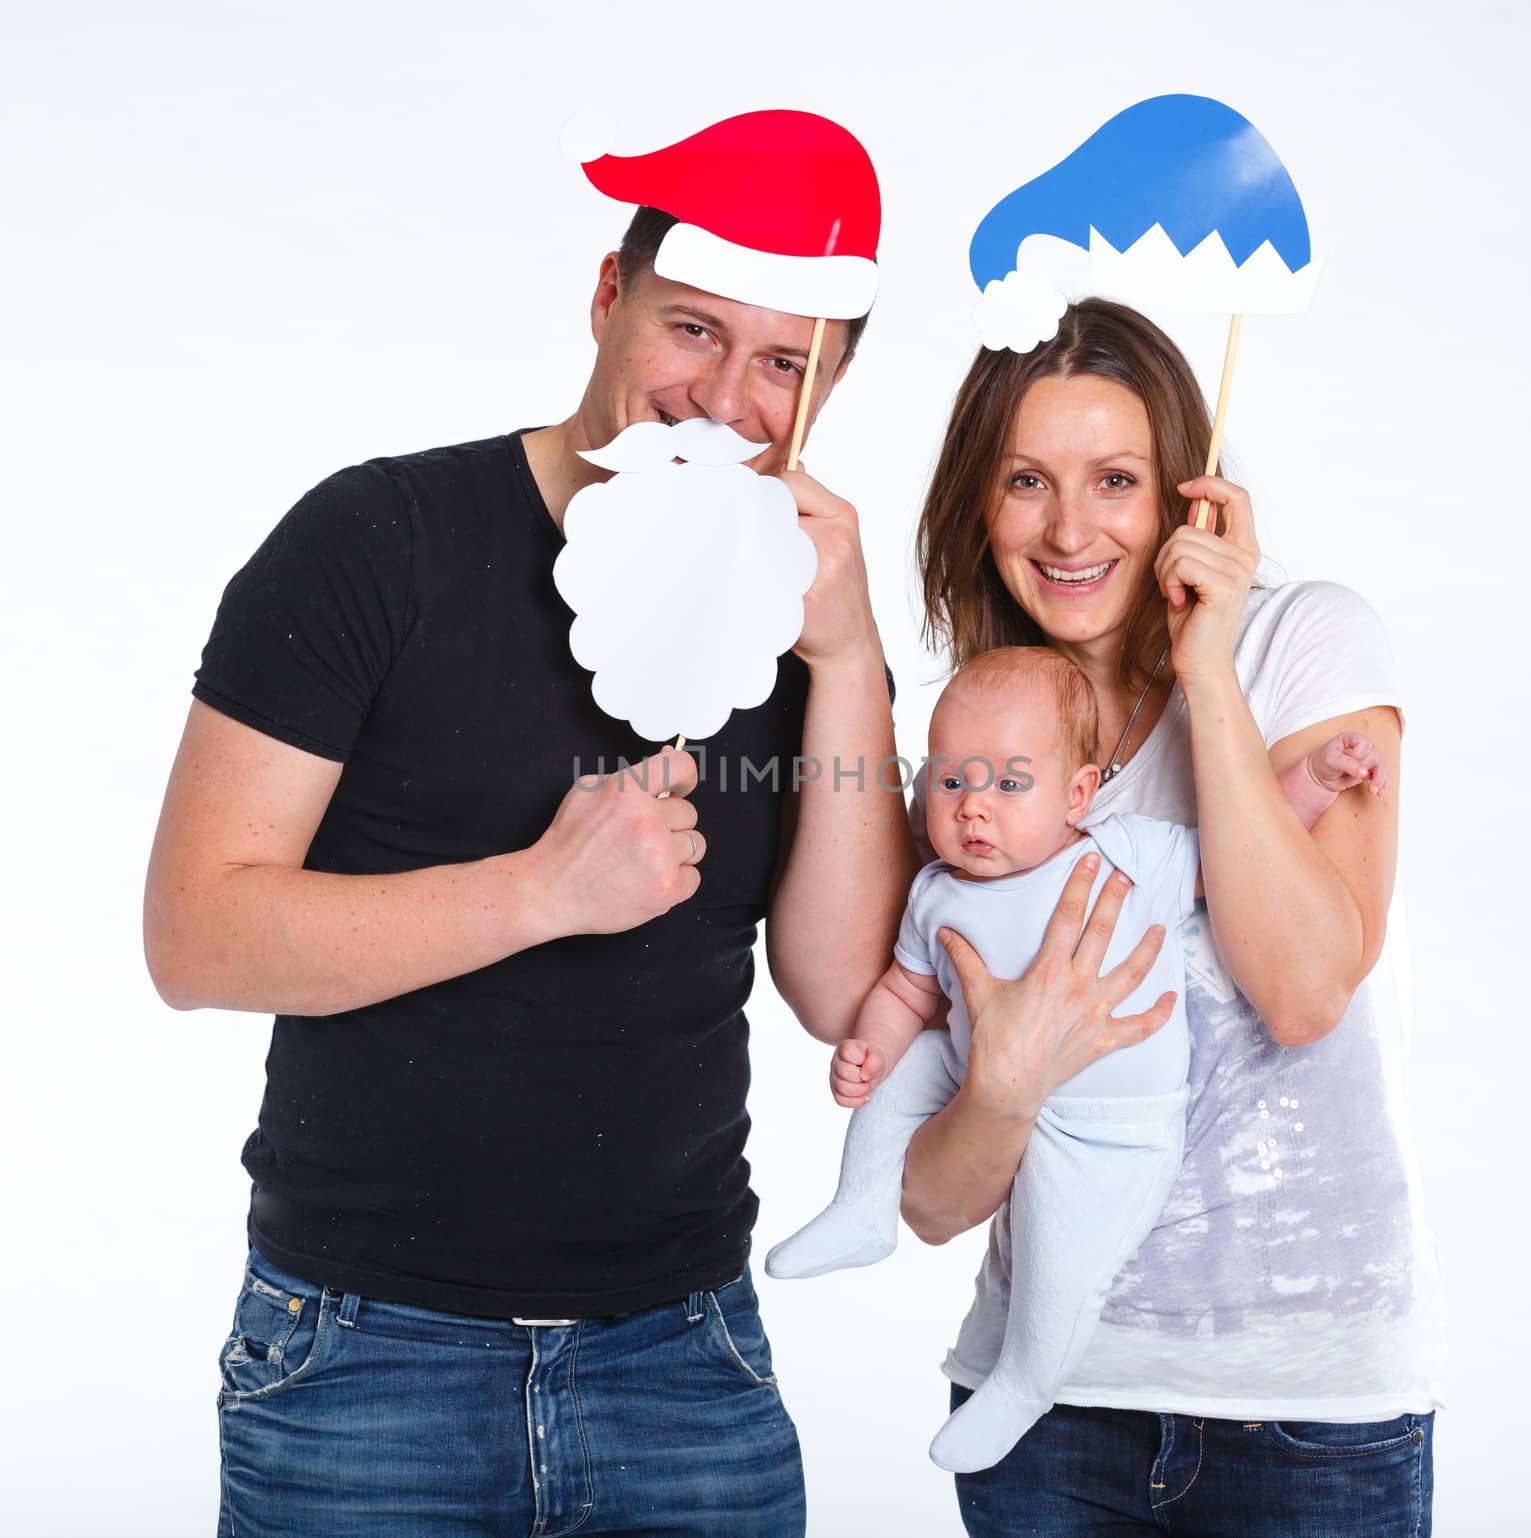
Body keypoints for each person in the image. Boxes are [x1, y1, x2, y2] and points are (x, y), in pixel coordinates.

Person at [140, 115, 1173, 1536]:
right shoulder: (376, 540)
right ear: (606, 298)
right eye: (692, 328)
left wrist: (850, 654)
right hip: (363, 1352)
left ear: (831, 389)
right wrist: (538, 891)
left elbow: (829, 989)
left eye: (782, 365)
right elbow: (196, 933)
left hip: (684, 1358)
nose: (724, 398)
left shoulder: (789, 606)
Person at [902, 299, 1443, 1535]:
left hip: (1312, 1419)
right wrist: (1006, 1078)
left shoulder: (1305, 640)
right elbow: (933, 1201)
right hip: (1043, 1422)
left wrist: (1206, 668)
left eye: (1115, 479)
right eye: (1026, 479)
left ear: (1182, 496)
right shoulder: (984, 752)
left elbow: (1307, 989)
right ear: (978, 507)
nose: (1070, 526)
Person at [765, 645, 1386, 1473]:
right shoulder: (937, 890)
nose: (974, 811)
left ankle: (1024, 1382)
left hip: (1110, 1125)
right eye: (953, 782)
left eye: (1009, 786)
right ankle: (862, 1208)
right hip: (984, 1064)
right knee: (906, 1066)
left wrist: (1316, 778)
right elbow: (909, 993)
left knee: (1061, 1260)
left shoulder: (1121, 853)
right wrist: (866, 1052)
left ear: (1079, 795)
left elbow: (1234, 847)